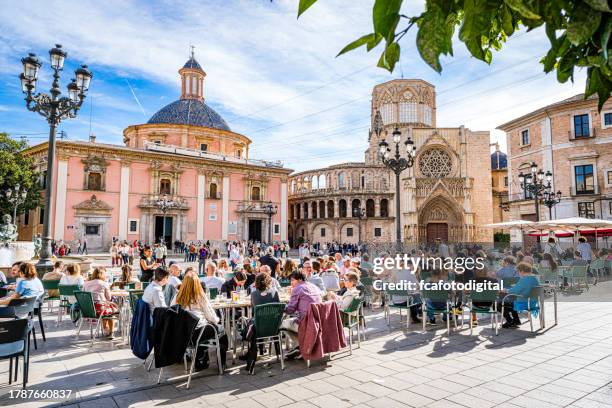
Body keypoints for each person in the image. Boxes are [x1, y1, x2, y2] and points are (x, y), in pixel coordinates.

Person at [171, 271, 228, 371]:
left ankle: (200, 360)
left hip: (182, 335)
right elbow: (212, 317)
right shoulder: (200, 296)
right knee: (221, 330)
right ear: (197, 283)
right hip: (197, 334)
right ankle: (221, 364)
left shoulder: (176, 297)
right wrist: (216, 320)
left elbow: (172, 315)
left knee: (204, 328)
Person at [281, 271, 322, 359]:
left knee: (283, 324)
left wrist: (280, 306)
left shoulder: (297, 289)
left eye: (292, 280)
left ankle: (299, 347)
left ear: (299, 279)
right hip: (319, 321)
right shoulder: (314, 286)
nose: (291, 283)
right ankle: (300, 347)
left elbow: (290, 310)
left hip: (307, 323)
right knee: (291, 321)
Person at [498, 262, 540, 328]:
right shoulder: (535, 279)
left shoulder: (524, 279)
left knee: (498, 304)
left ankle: (509, 321)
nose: (518, 273)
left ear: (522, 271)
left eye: (518, 272)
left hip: (524, 303)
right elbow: (522, 289)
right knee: (511, 301)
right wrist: (516, 286)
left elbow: (513, 291)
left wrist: (505, 290)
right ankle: (516, 320)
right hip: (533, 303)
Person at [83, 267, 118, 337]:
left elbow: (83, 295)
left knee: (105, 308)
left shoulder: (86, 283)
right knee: (112, 310)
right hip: (99, 309)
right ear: (103, 274)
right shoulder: (104, 284)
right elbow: (109, 298)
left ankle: (105, 329)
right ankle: (111, 332)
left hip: (88, 309)